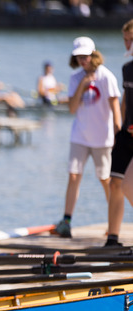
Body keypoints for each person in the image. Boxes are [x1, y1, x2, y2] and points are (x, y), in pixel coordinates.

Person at [53, 36, 121, 238]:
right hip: (80, 136)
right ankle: (66, 221)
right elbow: (73, 109)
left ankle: (113, 223)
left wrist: (119, 134)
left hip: (103, 138)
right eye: (79, 56)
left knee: (105, 179)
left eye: (86, 56)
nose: (83, 60)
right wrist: (83, 83)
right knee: (73, 176)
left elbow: (115, 107)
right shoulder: (76, 78)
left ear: (93, 54)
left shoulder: (106, 76)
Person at [105, 20, 133, 247]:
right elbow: (125, 101)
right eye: (125, 39)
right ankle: (112, 239)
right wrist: (119, 129)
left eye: (130, 39)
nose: (127, 43)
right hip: (127, 133)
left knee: (129, 186)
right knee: (115, 183)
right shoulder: (127, 68)